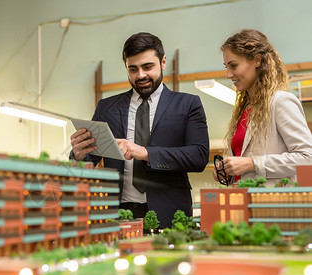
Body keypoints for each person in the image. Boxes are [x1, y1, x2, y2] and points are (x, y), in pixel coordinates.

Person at [70, 32, 209, 228]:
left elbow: (199, 156)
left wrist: (145, 153)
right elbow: (88, 160)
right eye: (133, 69)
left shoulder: (188, 104)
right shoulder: (106, 108)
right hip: (118, 212)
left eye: (147, 67)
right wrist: (77, 156)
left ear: (163, 62)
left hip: (171, 212)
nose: (140, 75)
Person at [214, 29, 312, 187]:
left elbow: (307, 158)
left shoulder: (281, 101)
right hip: (244, 201)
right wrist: (229, 172)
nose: (228, 74)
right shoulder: (245, 109)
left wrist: (253, 163)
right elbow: (245, 166)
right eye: (226, 66)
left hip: (272, 205)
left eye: (233, 66)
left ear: (257, 60)